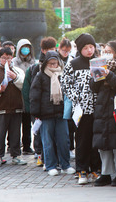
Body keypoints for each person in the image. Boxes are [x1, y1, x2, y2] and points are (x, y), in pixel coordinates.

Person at [61, 33, 101, 185]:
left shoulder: (98, 62)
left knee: (96, 140)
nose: (89, 50)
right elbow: (65, 82)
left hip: (97, 108)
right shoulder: (73, 63)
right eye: (86, 48)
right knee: (82, 139)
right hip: (81, 110)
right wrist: (76, 97)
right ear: (80, 49)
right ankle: (81, 170)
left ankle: (96, 169)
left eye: (91, 47)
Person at [90, 41, 116, 187]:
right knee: (103, 143)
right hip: (102, 108)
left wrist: (109, 74)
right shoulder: (99, 65)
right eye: (104, 51)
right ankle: (105, 173)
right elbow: (94, 88)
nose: (106, 53)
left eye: (109, 51)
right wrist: (94, 76)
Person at [30, 51, 75, 176]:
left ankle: (65, 165)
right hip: (46, 114)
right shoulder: (40, 76)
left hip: (61, 113)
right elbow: (34, 95)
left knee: (63, 140)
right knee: (47, 141)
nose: (53, 65)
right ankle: (50, 165)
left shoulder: (63, 74)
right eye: (50, 63)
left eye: (55, 63)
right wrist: (36, 113)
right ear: (46, 63)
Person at [0, 47, 26, 167]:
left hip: (16, 107)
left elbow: (24, 85)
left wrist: (15, 78)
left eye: (8, 58)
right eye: (3, 58)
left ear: (12, 58)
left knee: (15, 134)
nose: (6, 60)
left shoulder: (18, 71)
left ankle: (16, 155)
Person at [22, 37, 57, 166]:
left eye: (52, 49)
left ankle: (53, 156)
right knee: (38, 132)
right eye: (47, 49)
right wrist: (30, 108)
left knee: (52, 133)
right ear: (42, 50)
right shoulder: (34, 68)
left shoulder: (60, 66)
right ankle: (39, 154)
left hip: (54, 106)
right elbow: (27, 90)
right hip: (38, 106)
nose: (50, 52)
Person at [13, 39, 35, 155]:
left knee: (28, 123)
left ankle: (27, 146)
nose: (26, 49)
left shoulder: (33, 62)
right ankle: (14, 146)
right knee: (16, 124)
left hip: (29, 96)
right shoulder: (14, 62)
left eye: (28, 47)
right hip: (17, 96)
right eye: (23, 47)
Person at [57, 38, 75, 159]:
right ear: (59, 49)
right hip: (58, 93)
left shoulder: (72, 60)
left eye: (68, 51)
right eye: (64, 50)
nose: (66, 53)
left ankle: (71, 148)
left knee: (70, 124)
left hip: (69, 96)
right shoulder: (55, 60)